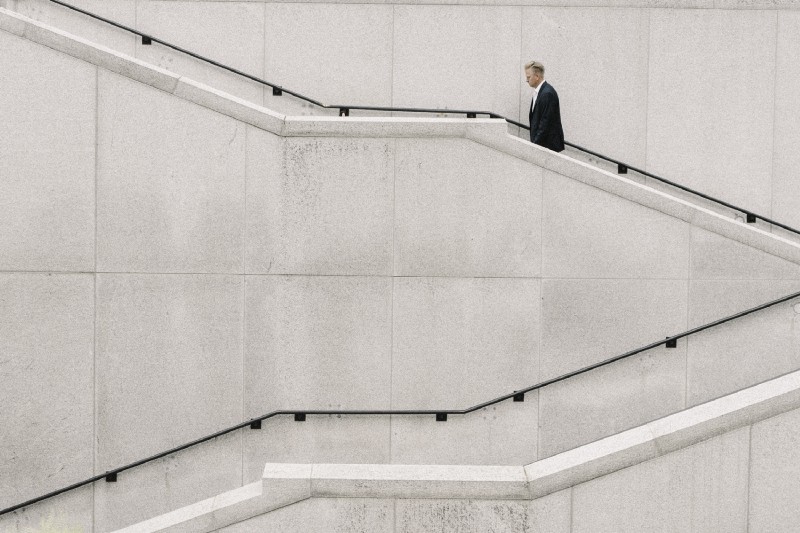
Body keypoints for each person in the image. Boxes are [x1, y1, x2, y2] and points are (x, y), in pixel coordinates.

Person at [524, 61, 564, 152]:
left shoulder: (547, 94)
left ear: (537, 76)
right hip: (543, 146)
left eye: (528, 77)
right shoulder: (540, 92)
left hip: (548, 147)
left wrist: (534, 146)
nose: (526, 80)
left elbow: (545, 123)